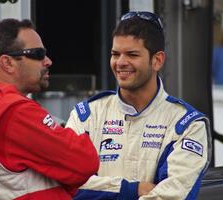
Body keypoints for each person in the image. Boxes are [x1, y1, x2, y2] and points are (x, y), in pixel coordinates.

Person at [66, 11, 211, 200]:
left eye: (132, 55)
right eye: (115, 54)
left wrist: (100, 191)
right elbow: (66, 182)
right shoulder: (87, 115)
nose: (121, 62)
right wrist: (132, 189)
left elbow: (171, 196)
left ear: (157, 60)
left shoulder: (186, 124)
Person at [0, 18, 99, 200]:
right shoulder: (13, 109)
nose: (48, 61)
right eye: (38, 54)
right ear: (7, 63)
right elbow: (85, 162)